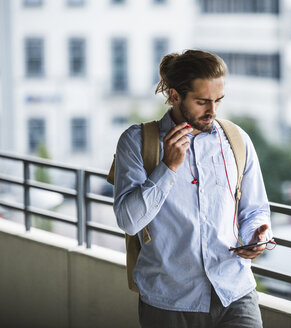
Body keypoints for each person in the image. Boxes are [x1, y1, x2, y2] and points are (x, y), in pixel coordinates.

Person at [113, 49, 273, 328]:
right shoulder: (137, 142)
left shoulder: (236, 140)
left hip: (234, 293)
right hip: (169, 303)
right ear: (175, 96)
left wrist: (256, 234)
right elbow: (128, 221)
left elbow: (256, 209)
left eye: (218, 100)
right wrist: (168, 168)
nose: (212, 111)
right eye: (202, 102)